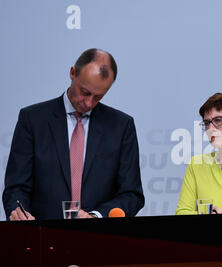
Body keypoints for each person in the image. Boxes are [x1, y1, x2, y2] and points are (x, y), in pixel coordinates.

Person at [3, 48, 145, 220]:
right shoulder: (32, 120)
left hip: (100, 239)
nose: (88, 103)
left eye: (98, 97)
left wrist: (96, 216)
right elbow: (16, 187)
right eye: (85, 92)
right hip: (42, 237)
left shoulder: (121, 126)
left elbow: (131, 194)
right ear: (72, 73)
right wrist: (19, 212)